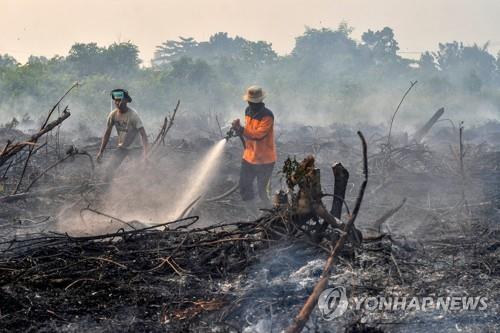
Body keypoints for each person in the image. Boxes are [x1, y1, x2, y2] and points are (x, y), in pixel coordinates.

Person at [231, 85, 277, 208]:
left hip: (265, 160)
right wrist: (238, 128)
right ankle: (252, 215)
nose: (252, 104)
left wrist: (241, 129)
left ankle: (270, 213)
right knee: (245, 187)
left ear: (261, 101)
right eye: (250, 102)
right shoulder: (247, 111)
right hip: (249, 157)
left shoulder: (267, 116)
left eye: (254, 102)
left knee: (263, 192)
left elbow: (258, 135)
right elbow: (249, 131)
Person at [96, 89, 148, 178]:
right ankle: (107, 188)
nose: (117, 103)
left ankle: (140, 189)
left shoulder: (133, 115)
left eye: (120, 100)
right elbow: (107, 134)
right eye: (116, 100)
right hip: (122, 147)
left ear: (126, 101)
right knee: (109, 169)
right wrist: (101, 152)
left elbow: (143, 135)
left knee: (138, 172)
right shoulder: (113, 115)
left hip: (135, 148)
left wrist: (146, 154)